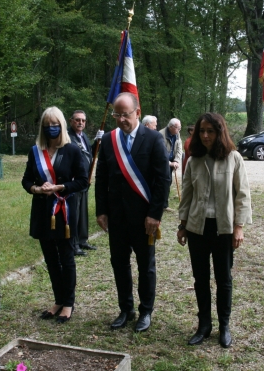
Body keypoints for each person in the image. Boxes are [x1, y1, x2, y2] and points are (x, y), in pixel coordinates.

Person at [95, 93, 171, 333]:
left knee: (145, 264)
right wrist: (101, 210)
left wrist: (155, 214)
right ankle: (125, 309)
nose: (120, 120)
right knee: (119, 263)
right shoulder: (109, 140)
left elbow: (163, 179)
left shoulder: (153, 139)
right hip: (116, 216)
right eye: (117, 115)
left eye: (125, 114)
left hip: (144, 217)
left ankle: (145, 310)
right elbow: (101, 179)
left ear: (137, 112)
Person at [177, 112, 252, 348]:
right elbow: (187, 195)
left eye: (210, 131)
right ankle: (204, 325)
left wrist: (239, 227)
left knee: (224, 279)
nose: (206, 135)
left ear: (220, 132)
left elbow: (242, 195)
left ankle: (224, 326)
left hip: (224, 229)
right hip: (198, 228)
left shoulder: (234, 158)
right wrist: (182, 225)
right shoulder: (193, 160)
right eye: (202, 131)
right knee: (201, 279)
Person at [21, 106, 88, 323]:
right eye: (47, 125)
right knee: (50, 259)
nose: (51, 129)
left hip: (64, 212)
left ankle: (68, 302)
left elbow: (82, 181)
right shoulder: (35, 151)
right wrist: (37, 189)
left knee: (66, 258)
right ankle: (58, 300)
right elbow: (26, 180)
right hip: (42, 212)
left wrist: (59, 187)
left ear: (62, 125)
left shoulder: (72, 150)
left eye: (55, 125)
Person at [67, 110, 103, 256]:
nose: (80, 122)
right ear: (71, 121)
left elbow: (90, 153)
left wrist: (96, 142)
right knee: (74, 213)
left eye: (83, 120)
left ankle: (82, 240)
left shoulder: (83, 137)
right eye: (77, 120)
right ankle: (73, 244)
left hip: (84, 181)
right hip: (74, 181)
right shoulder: (68, 138)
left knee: (82, 213)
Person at [159, 118, 182, 209]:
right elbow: (160, 153)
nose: (179, 130)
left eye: (180, 128)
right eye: (178, 128)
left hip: (172, 162)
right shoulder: (161, 135)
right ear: (171, 127)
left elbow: (179, 148)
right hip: (163, 163)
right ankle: (163, 204)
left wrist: (176, 160)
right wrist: (169, 163)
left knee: (168, 182)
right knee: (163, 183)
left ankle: (164, 204)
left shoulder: (177, 134)